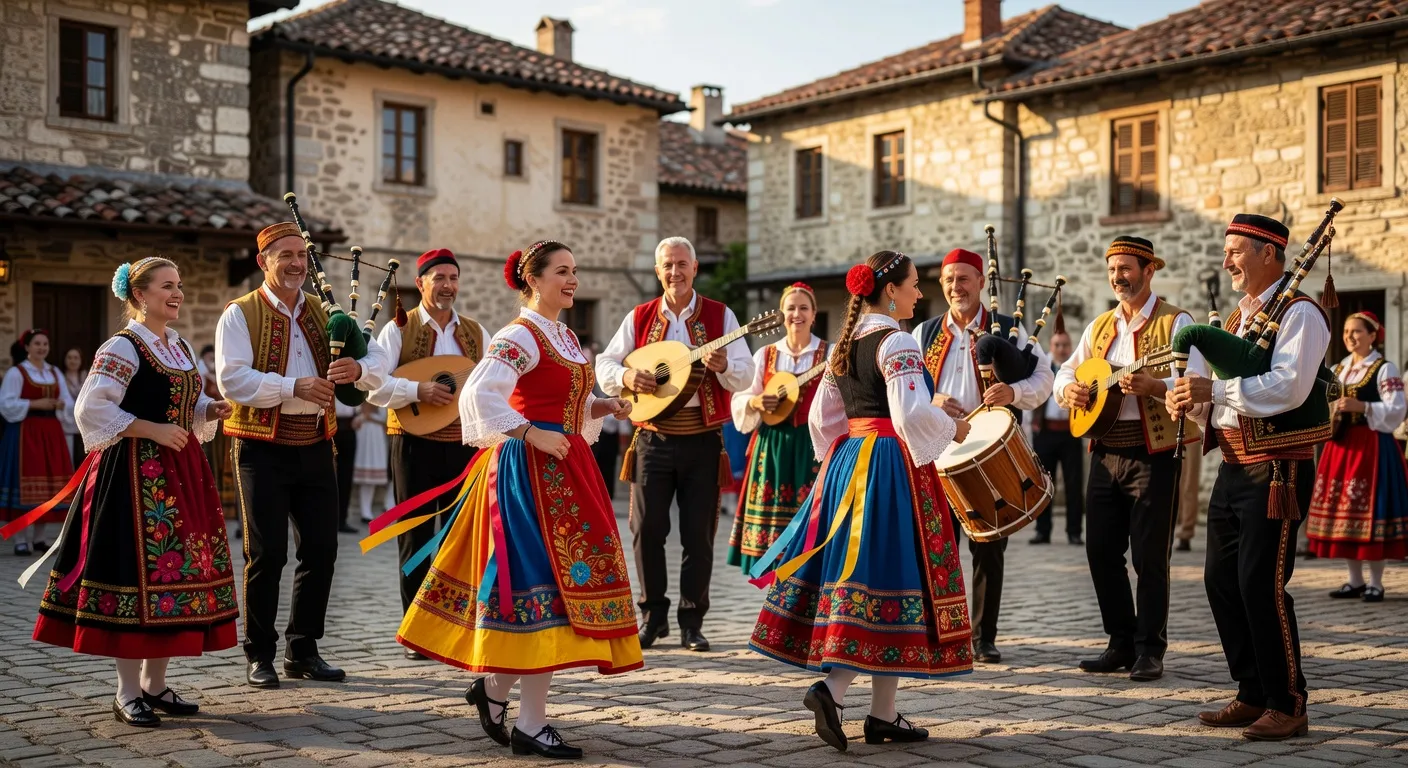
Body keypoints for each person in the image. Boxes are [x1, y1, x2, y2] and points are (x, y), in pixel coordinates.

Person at [371, 241, 640, 759]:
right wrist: (531, 433)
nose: (573, 280)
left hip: (566, 469)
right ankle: (530, 724)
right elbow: (479, 395)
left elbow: (564, 400)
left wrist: (603, 405)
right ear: (533, 280)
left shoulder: (563, 334)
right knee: (540, 590)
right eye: (562, 271)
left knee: (558, 592)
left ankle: (495, 691)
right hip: (530, 477)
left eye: (575, 270)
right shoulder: (519, 334)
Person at [749, 251, 973, 753]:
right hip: (890, 466)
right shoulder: (898, 341)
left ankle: (883, 715)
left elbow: (821, 419)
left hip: (850, 461)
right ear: (890, 290)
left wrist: (841, 459)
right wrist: (953, 426)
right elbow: (910, 413)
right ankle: (831, 689)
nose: (920, 293)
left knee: (880, 580)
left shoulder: (843, 344)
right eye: (913, 284)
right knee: (887, 575)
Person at [23, 257, 237, 727]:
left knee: (173, 579)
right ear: (139, 294)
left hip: (180, 472)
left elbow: (180, 401)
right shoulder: (122, 346)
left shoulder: (178, 344)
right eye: (167, 286)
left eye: (179, 285)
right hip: (135, 476)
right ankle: (127, 691)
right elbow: (91, 408)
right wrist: (151, 429)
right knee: (135, 577)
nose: (177, 294)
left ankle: (154, 684)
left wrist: (207, 408)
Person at [1169, 213, 1330, 741]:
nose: (1226, 261)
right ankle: (1253, 691)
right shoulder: (1241, 318)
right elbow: (1222, 402)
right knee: (1220, 581)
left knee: (1261, 584)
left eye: (1235, 250)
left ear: (1268, 253)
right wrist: (1191, 401)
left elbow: (1289, 387)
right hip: (1234, 464)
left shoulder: (1300, 312)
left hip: (1278, 468)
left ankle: (1288, 701)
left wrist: (1212, 391)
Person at [215, 221, 388, 689]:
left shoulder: (325, 311)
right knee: (267, 554)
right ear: (263, 262)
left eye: (301, 256)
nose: (296, 264)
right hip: (260, 446)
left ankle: (303, 649)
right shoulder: (240, 313)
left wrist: (358, 369)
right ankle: (259, 653)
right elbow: (232, 379)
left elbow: (376, 359)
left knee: (322, 550)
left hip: (315, 442)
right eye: (285, 256)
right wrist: (294, 386)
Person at [1055, 236, 1205, 682]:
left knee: (1149, 556)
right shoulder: (1100, 326)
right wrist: (1070, 390)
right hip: (1105, 450)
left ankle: (1150, 648)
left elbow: (1197, 381)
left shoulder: (1177, 322)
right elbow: (1068, 370)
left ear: (1148, 270)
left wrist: (1156, 387)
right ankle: (1120, 641)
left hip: (1152, 452)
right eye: (1112, 269)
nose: (1117, 277)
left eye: (1125, 268)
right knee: (1100, 550)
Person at [596, 236, 755, 652]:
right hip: (652, 438)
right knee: (646, 529)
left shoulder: (721, 315)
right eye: (667, 265)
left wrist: (725, 366)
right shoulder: (639, 316)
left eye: (682, 264)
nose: (675, 272)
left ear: (695, 268)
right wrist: (627, 377)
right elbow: (605, 363)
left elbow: (746, 373)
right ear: (657, 271)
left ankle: (692, 621)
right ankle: (652, 617)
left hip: (704, 440)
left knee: (697, 534)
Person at [912, 248, 1054, 665]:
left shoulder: (1008, 328)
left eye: (964, 279)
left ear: (980, 282)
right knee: (936, 548)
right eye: (949, 280)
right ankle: (940, 632)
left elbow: (1044, 378)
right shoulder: (923, 333)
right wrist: (932, 399)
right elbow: (903, 389)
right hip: (937, 454)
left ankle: (982, 637)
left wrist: (1014, 392)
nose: (956, 287)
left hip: (991, 453)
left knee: (989, 548)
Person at [367, 249, 490, 648]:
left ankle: (457, 627)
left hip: (464, 446)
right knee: (415, 536)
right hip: (412, 443)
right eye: (439, 278)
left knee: (460, 537)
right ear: (420, 284)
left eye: (453, 278)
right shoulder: (397, 330)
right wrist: (417, 390)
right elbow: (373, 386)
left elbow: (492, 385)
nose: (448, 286)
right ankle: (417, 631)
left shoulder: (475, 332)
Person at [727, 281, 827, 575]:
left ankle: (806, 581)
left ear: (814, 314)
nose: (797, 314)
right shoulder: (765, 354)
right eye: (791, 308)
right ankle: (773, 584)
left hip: (812, 447)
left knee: (812, 523)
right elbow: (741, 398)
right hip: (772, 448)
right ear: (782, 314)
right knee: (772, 530)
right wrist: (756, 401)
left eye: (804, 308)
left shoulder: (830, 354)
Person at [1307, 311, 1407, 601]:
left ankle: (1376, 582)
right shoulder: (1338, 368)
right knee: (1344, 512)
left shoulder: (1385, 369)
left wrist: (1363, 407)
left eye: (1357, 331)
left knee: (1371, 512)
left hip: (1371, 446)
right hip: (1341, 447)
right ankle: (1354, 580)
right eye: (1347, 331)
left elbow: (1398, 409)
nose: (1350, 336)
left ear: (1373, 335)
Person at [0, 329, 76, 556]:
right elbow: (6, 404)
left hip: (51, 433)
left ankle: (40, 538)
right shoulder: (17, 372)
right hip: (26, 433)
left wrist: (62, 405)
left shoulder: (54, 372)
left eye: (45, 344)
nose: (42, 348)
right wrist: (34, 404)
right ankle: (21, 540)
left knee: (49, 484)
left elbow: (68, 400)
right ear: (27, 347)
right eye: (37, 344)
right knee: (25, 484)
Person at [1030, 329, 1084, 546]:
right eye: (1057, 345)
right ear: (1051, 347)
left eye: (1065, 345)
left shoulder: (1077, 368)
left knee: (1074, 484)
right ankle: (1042, 531)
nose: (1061, 349)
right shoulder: (1042, 368)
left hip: (1071, 433)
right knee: (1043, 484)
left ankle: (1074, 532)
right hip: (1045, 433)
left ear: (1070, 347)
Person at [352, 403, 391, 526]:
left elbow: (385, 421)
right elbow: (363, 412)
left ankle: (367, 510)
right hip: (365, 433)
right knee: (365, 471)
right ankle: (365, 511)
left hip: (377, 436)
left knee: (374, 474)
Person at [62, 348, 88, 467]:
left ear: (81, 360)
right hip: (66, 422)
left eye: (76, 358)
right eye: (69, 358)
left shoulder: (87, 376)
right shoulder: (60, 376)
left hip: (84, 423)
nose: (73, 361)